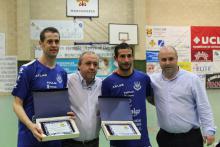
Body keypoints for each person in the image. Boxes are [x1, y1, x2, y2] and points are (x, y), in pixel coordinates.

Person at [150, 46, 216, 147]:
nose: (167, 62)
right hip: (165, 138)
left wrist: (209, 130)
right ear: (159, 61)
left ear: (177, 59)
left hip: (190, 139)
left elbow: (203, 106)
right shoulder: (153, 80)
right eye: (163, 59)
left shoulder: (192, 79)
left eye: (171, 59)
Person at [12, 27, 68, 147]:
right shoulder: (28, 69)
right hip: (30, 137)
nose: (54, 45)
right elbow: (17, 104)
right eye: (49, 41)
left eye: (56, 41)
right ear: (41, 44)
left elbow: (59, 104)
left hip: (55, 137)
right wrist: (30, 125)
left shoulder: (62, 73)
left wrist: (67, 115)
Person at [101, 43, 152, 147]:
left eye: (129, 56)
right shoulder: (108, 82)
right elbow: (105, 113)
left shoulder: (143, 78)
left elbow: (151, 98)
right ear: (116, 58)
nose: (126, 60)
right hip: (119, 141)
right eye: (122, 56)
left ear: (133, 57)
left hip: (142, 141)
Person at [62, 51, 101, 147]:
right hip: (70, 143)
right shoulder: (67, 80)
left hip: (94, 143)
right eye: (88, 63)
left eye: (95, 64)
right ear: (79, 65)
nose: (92, 67)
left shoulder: (102, 83)